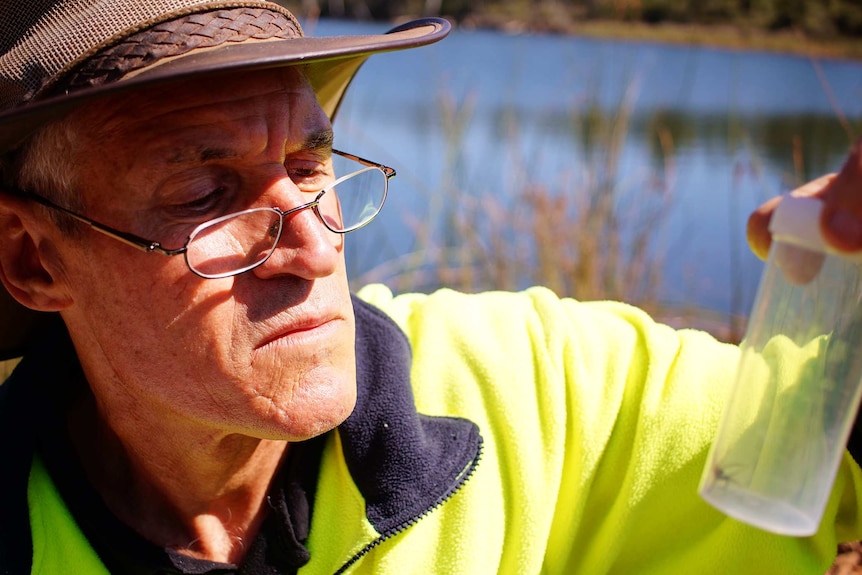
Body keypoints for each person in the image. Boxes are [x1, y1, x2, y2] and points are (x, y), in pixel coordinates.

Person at [0, 1, 861, 574]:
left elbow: (817, 431)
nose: (309, 237)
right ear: (35, 260)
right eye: (204, 194)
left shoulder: (537, 390)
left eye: (309, 165)